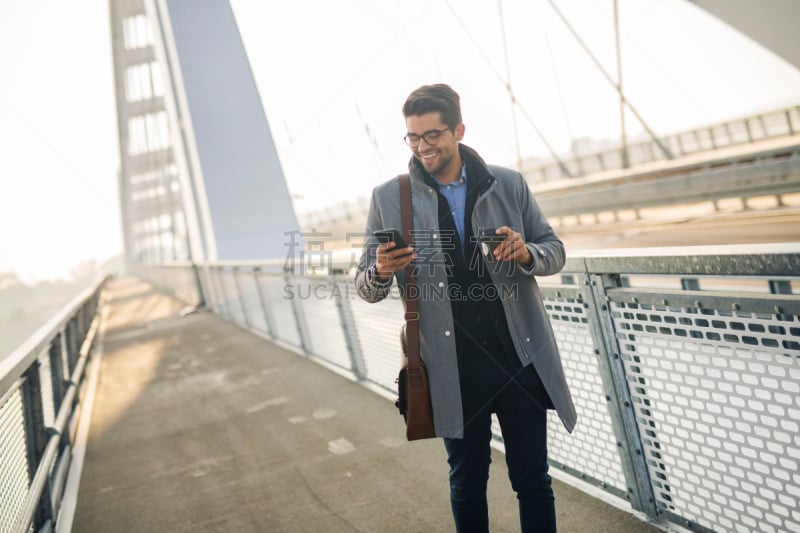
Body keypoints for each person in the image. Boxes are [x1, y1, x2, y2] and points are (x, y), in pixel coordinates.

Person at [355, 83, 576, 533]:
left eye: (432, 135)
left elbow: (553, 249)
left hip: (519, 358)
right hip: (450, 366)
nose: (422, 147)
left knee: (533, 481)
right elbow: (365, 286)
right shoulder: (386, 199)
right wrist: (379, 270)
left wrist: (526, 253)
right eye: (413, 138)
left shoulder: (507, 183)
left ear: (458, 129)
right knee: (467, 482)